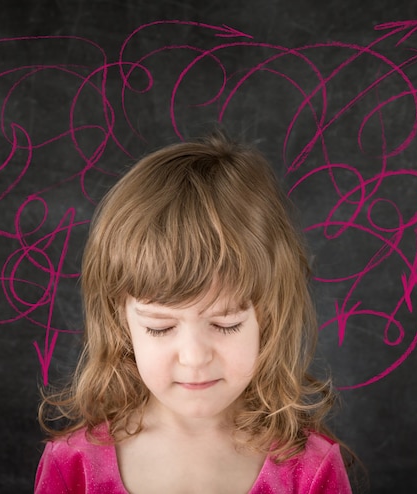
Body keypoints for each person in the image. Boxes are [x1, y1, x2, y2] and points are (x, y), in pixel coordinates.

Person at [35, 133, 354, 493]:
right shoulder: (72, 465)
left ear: (269, 317)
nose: (194, 356)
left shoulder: (309, 470)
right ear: (121, 322)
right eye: (159, 327)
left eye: (225, 324)